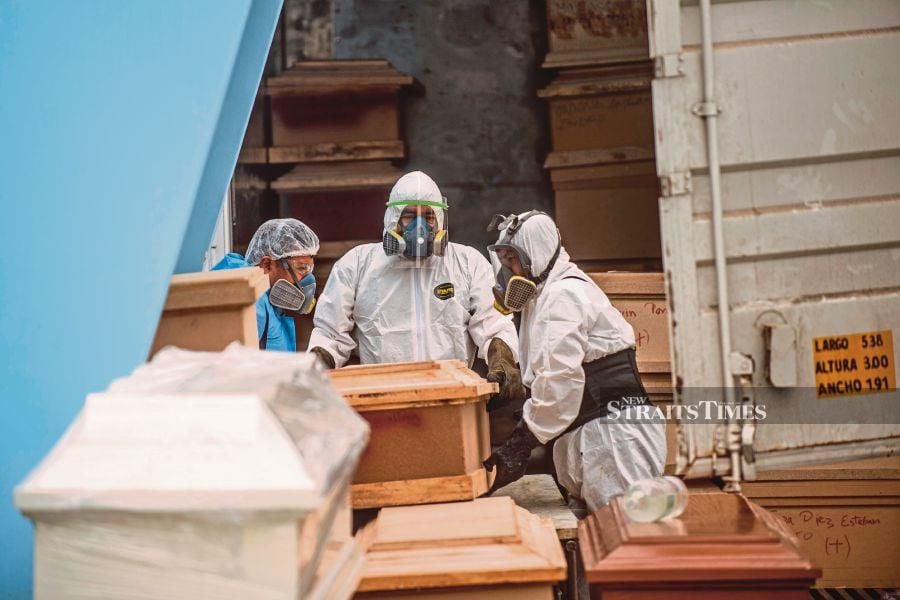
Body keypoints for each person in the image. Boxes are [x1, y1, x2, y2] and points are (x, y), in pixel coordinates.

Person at [482, 210, 666, 512]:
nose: (508, 273)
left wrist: (522, 442)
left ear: (536, 256)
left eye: (512, 261)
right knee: (602, 546)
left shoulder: (564, 295)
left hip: (615, 444)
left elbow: (559, 380)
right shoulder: (542, 300)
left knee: (631, 545)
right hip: (596, 442)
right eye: (504, 264)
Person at [308, 171, 524, 405]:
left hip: (452, 397)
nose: (420, 227)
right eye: (409, 216)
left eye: (428, 217)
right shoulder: (358, 265)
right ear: (393, 218)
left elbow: (493, 324)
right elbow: (330, 334)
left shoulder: (467, 263)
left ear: (440, 220)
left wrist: (502, 361)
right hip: (382, 400)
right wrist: (315, 369)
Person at [213, 218, 319, 352]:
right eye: (301, 268)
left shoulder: (268, 301)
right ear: (267, 265)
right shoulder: (251, 302)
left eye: (310, 268)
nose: (307, 279)